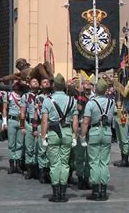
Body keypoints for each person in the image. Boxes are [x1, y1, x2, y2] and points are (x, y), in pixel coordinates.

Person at [41, 74, 78, 202]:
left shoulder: (47, 100)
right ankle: (63, 192)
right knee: (65, 163)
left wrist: (43, 137)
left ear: (54, 86)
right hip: (67, 132)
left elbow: (45, 121)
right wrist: (74, 135)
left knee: (54, 163)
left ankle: (56, 193)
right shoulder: (72, 100)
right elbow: (75, 121)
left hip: (53, 133)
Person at [81, 78, 116, 201]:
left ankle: (96, 190)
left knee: (94, 161)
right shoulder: (111, 102)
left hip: (95, 131)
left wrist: (83, 136)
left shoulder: (91, 103)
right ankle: (103, 190)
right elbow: (113, 116)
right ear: (106, 90)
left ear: (95, 89)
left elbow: (86, 122)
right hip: (107, 132)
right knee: (104, 162)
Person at [75, 78, 93, 189]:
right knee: (80, 155)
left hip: (91, 127)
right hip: (81, 126)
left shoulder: (94, 97)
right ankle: (80, 178)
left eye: (88, 83)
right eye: (84, 83)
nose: (86, 84)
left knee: (89, 155)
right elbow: (78, 109)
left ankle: (87, 177)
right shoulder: (78, 96)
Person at [21, 78, 40, 179]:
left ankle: (37, 168)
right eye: (33, 81)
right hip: (29, 123)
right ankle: (29, 169)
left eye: (36, 81)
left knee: (38, 148)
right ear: (29, 85)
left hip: (40, 124)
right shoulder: (26, 96)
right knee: (29, 148)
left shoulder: (42, 96)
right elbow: (23, 112)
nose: (35, 82)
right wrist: (22, 126)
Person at [34, 78, 52, 183]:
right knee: (42, 149)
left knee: (50, 149)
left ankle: (48, 170)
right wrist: (35, 128)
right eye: (44, 82)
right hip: (42, 124)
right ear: (41, 86)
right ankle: (42, 172)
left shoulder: (53, 97)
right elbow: (36, 113)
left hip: (52, 124)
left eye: (48, 82)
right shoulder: (38, 98)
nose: (47, 83)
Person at [4, 81, 24, 174]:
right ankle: (12, 165)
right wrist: (4, 122)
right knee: (11, 144)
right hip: (12, 120)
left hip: (21, 120)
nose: (17, 85)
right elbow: (4, 108)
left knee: (20, 143)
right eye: (15, 83)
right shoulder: (9, 95)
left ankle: (18, 165)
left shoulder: (23, 95)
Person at [112, 99, 129, 168]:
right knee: (119, 139)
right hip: (117, 114)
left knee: (124, 139)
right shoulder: (117, 93)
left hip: (123, 114)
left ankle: (125, 160)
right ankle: (123, 158)